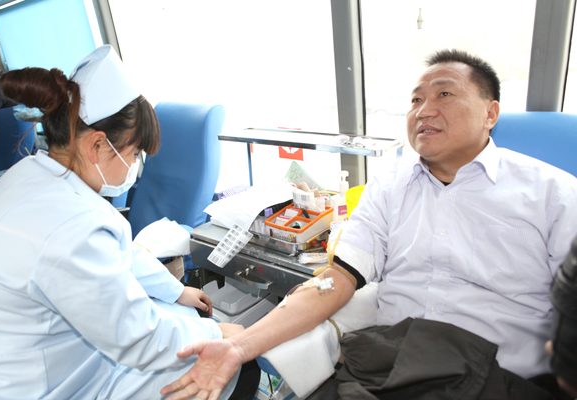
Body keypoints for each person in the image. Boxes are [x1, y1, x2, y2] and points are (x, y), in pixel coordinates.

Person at [161, 49, 577, 400]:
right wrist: (237, 346)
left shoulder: (553, 194)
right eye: (415, 100)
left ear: (490, 113)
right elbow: (336, 279)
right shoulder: (390, 185)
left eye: (445, 94)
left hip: (500, 379)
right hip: (392, 369)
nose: (424, 110)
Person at [0, 45, 258, 400]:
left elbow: (120, 253)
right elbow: (138, 338)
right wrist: (221, 335)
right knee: (235, 365)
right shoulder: (72, 223)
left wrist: (175, 291)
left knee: (182, 319)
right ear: (97, 145)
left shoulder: (31, 176)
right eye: (134, 153)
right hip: (40, 386)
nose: (135, 165)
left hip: (23, 354)